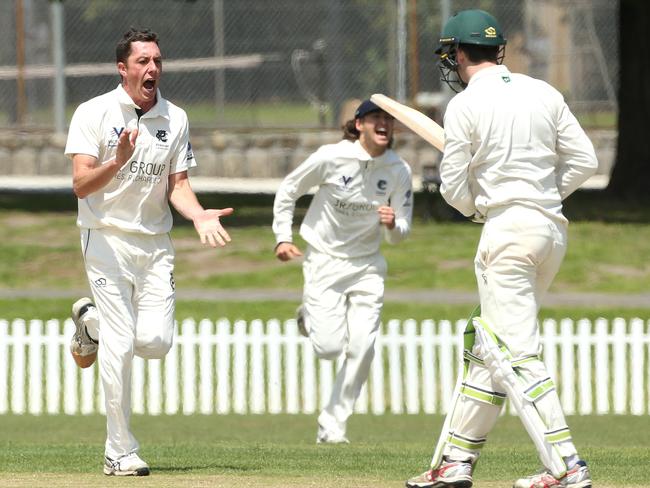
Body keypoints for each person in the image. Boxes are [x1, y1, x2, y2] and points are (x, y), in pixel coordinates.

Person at [406, 9, 597, 488]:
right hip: (551, 231)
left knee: (514, 351)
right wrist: (544, 193)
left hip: (507, 231)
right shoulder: (543, 91)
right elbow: (586, 161)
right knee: (485, 342)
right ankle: (456, 462)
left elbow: (452, 187)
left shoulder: (465, 105)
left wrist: (480, 207)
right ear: (499, 51)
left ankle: (567, 465)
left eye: (451, 54)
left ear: (460, 54)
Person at [65, 27, 233, 476]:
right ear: (123, 69)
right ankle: (119, 451)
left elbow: (177, 185)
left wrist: (197, 215)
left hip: (155, 243)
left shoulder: (175, 118)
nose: (152, 68)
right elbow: (80, 184)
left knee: (156, 343)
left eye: (157, 60)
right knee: (121, 346)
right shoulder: (93, 112)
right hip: (105, 237)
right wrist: (116, 163)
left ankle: (91, 325)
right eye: (142, 61)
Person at [272, 99, 413, 443]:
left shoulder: (398, 170)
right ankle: (309, 316)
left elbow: (400, 234)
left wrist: (394, 224)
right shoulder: (331, 157)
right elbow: (289, 189)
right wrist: (281, 237)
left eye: (389, 120)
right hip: (324, 258)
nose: (384, 125)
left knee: (363, 347)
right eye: (376, 118)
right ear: (359, 124)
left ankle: (333, 424)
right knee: (329, 349)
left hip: (367, 265)